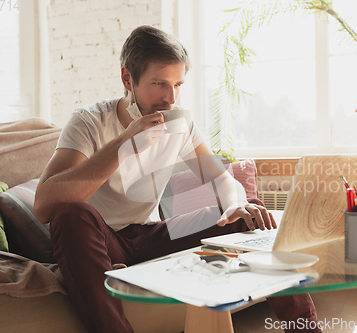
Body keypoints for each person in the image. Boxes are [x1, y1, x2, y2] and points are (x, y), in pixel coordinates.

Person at [34, 25, 321, 333]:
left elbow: (220, 179)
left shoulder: (180, 124)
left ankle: (306, 329)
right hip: (102, 239)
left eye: (177, 84)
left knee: (250, 212)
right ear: (127, 79)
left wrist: (234, 205)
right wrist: (124, 146)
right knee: (71, 213)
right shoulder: (89, 122)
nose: (170, 98)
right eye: (159, 83)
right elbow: (44, 205)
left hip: (148, 235)